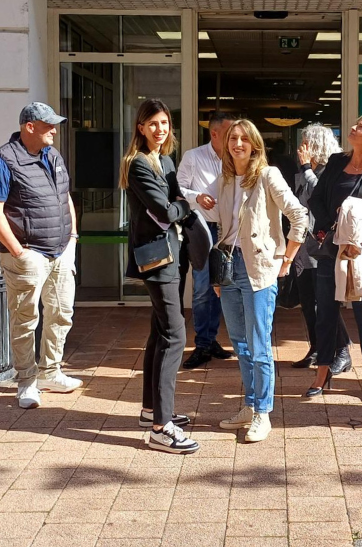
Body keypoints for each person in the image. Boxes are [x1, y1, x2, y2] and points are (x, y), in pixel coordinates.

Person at [211, 119, 309, 443]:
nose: (237, 143)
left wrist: (288, 257)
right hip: (229, 270)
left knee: (259, 345)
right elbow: (222, 228)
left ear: (254, 144)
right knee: (239, 343)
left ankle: (263, 414)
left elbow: (299, 216)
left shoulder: (268, 175)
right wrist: (217, 275)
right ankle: (250, 406)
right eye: (232, 138)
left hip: (259, 269)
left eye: (243, 138)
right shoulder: (225, 179)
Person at [0, 102, 83, 410]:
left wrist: (73, 237)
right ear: (30, 127)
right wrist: (18, 252)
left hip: (61, 250)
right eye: (48, 124)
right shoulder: (2, 161)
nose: (54, 129)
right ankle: (26, 381)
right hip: (28, 254)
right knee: (26, 319)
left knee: (61, 314)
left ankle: (51, 371)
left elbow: (64, 196)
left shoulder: (52, 155)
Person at [121, 99, 200, 454]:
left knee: (159, 332)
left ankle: (151, 410)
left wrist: (180, 203)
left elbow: (174, 201)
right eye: (152, 123)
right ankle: (161, 428)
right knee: (174, 334)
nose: (160, 129)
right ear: (140, 127)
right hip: (156, 260)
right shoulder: (138, 165)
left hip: (170, 256)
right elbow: (167, 209)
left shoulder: (165, 160)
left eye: (165, 123)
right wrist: (188, 204)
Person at [306, 114, 362, 402]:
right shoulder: (336, 162)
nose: (354, 127)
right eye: (356, 123)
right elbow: (316, 199)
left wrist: (359, 214)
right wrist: (326, 224)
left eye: (361, 126)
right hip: (332, 247)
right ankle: (323, 369)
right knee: (326, 312)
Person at [176, 111, 237, 369]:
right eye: (230, 134)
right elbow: (178, 189)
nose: (236, 139)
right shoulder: (194, 156)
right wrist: (197, 197)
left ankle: (211, 340)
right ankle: (201, 344)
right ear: (215, 134)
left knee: (222, 286)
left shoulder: (238, 157)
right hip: (202, 229)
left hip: (229, 231)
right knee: (202, 288)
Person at [289, 124, 351, 372]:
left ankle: (342, 350)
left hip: (322, 246)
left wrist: (306, 169)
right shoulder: (308, 171)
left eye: (305, 142)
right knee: (308, 303)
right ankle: (317, 348)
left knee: (324, 303)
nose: (301, 148)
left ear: (316, 145)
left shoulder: (330, 171)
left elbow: (321, 198)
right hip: (304, 248)